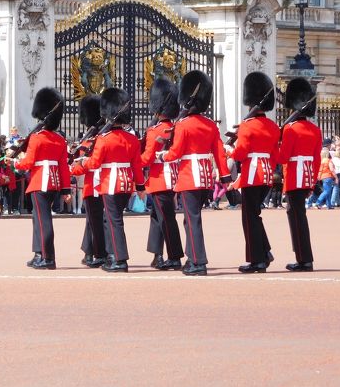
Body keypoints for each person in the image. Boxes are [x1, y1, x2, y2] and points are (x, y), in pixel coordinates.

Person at [156, 70, 231, 276]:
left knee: (193, 219)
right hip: (205, 177)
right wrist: (225, 177)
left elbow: (176, 153)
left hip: (189, 176)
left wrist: (163, 156)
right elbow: (219, 152)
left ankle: (198, 261)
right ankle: (192, 257)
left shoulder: (183, 125)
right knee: (191, 219)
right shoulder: (210, 125)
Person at [80, 87, 146, 272]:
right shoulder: (132, 139)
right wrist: (140, 186)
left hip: (110, 184)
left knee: (113, 221)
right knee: (114, 220)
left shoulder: (104, 139)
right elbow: (137, 166)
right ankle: (112, 255)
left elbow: (94, 164)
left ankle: (119, 259)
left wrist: (84, 161)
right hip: (126, 185)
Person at [227, 71, 279, 273]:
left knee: (249, 218)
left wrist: (229, 150)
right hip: (266, 175)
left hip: (252, 175)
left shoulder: (247, 126)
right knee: (255, 216)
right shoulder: (273, 126)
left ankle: (257, 260)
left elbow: (240, 154)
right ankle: (264, 252)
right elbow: (276, 156)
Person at [14, 87, 72, 270]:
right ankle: (38, 253)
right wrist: (65, 190)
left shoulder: (37, 138)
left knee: (43, 220)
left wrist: (15, 163)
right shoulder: (59, 139)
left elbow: (28, 162)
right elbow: (63, 166)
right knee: (38, 219)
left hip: (40, 181)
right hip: (54, 183)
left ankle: (48, 257)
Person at [278, 77, 322, 272]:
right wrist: (312, 182)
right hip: (306, 177)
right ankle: (302, 256)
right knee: (298, 215)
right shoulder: (315, 130)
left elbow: (283, 157)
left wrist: (274, 146)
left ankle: (304, 259)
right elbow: (317, 160)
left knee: (297, 218)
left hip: (294, 177)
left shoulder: (290, 129)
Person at [140, 78, 184, 270]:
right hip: (173, 177)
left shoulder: (155, 130)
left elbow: (148, 158)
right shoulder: (175, 128)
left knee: (166, 220)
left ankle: (174, 256)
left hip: (159, 181)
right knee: (157, 218)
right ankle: (157, 255)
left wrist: (133, 162)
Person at [70, 95, 107, 268]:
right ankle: (88, 250)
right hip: (107, 183)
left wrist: (72, 168)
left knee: (95, 220)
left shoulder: (89, 140)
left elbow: (82, 166)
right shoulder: (105, 136)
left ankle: (99, 253)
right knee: (93, 219)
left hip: (93, 184)